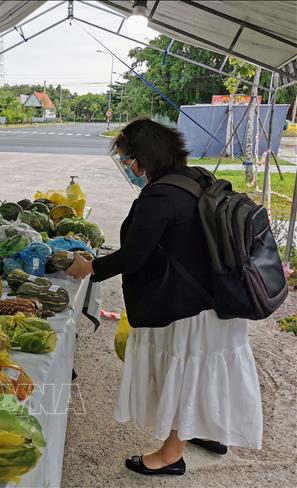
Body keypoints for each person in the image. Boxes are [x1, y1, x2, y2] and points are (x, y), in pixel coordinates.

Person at [66, 119, 262, 476]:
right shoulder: (196, 177)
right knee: (205, 371)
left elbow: (133, 256)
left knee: (184, 373)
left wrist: (90, 268)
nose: (128, 167)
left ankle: (172, 455)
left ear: (144, 157)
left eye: (128, 159)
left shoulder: (160, 196)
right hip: (221, 301)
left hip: (189, 308)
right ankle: (205, 429)